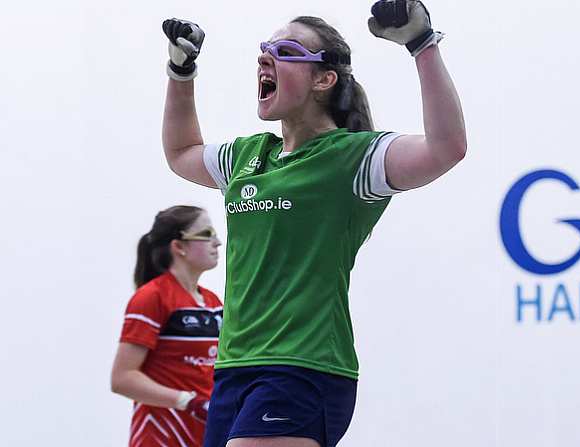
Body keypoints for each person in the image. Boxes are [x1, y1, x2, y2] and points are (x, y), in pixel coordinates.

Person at [161, 1, 466, 446]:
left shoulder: (354, 159)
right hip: (233, 370)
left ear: (324, 79)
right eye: (265, 48)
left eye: (285, 51)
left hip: (305, 368)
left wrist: (422, 45)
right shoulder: (246, 157)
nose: (265, 57)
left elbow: (447, 148)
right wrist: (181, 73)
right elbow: (181, 152)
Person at [111, 206, 224, 447]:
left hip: (207, 437)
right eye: (207, 234)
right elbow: (122, 378)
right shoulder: (151, 297)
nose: (218, 242)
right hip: (162, 438)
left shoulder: (214, 302)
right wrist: (188, 401)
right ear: (179, 246)